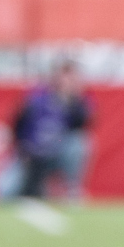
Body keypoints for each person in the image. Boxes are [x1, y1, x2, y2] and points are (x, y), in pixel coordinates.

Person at [9, 59, 91, 203]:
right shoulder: (37, 99)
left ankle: (71, 188)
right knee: (4, 192)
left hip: (57, 152)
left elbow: (83, 123)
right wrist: (24, 149)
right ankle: (38, 188)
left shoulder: (76, 101)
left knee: (78, 143)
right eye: (64, 76)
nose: (67, 81)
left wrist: (70, 100)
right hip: (32, 154)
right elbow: (18, 124)